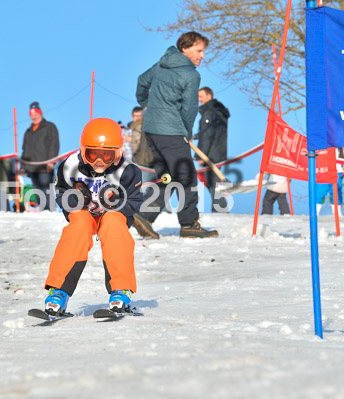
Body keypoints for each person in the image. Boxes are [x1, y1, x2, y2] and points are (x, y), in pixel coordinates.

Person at [42, 118, 143, 316]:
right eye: (93, 155)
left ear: (119, 152)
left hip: (113, 215)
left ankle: (121, 290)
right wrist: (76, 200)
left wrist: (117, 203)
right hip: (84, 213)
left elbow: (134, 202)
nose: (99, 161)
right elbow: (62, 194)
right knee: (77, 227)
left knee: (113, 226)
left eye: (107, 156)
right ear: (83, 150)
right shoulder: (69, 166)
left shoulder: (128, 171)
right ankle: (58, 292)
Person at [132, 31, 218, 239]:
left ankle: (144, 216)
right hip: (171, 131)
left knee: (169, 176)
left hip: (152, 130)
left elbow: (141, 82)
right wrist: (186, 134)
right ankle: (189, 224)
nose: (202, 56)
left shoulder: (161, 64)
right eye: (199, 50)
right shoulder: (191, 75)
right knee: (187, 176)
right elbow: (189, 109)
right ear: (185, 48)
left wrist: (147, 107)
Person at [19, 102, 59, 211]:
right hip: (32, 168)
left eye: (36, 114)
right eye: (31, 115)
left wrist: (51, 161)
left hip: (44, 167)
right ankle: (43, 212)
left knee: (46, 190)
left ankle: (50, 212)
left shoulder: (49, 127)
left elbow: (53, 144)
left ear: (40, 114)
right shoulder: (28, 132)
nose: (34, 117)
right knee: (37, 191)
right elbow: (25, 151)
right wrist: (22, 167)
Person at [196, 87, 230, 212]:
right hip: (219, 151)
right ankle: (219, 210)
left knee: (212, 183)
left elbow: (207, 135)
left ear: (209, 96)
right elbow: (211, 131)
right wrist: (195, 137)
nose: (199, 100)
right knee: (213, 182)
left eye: (201, 96)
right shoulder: (219, 111)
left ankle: (221, 211)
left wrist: (201, 155)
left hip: (211, 154)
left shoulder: (209, 111)